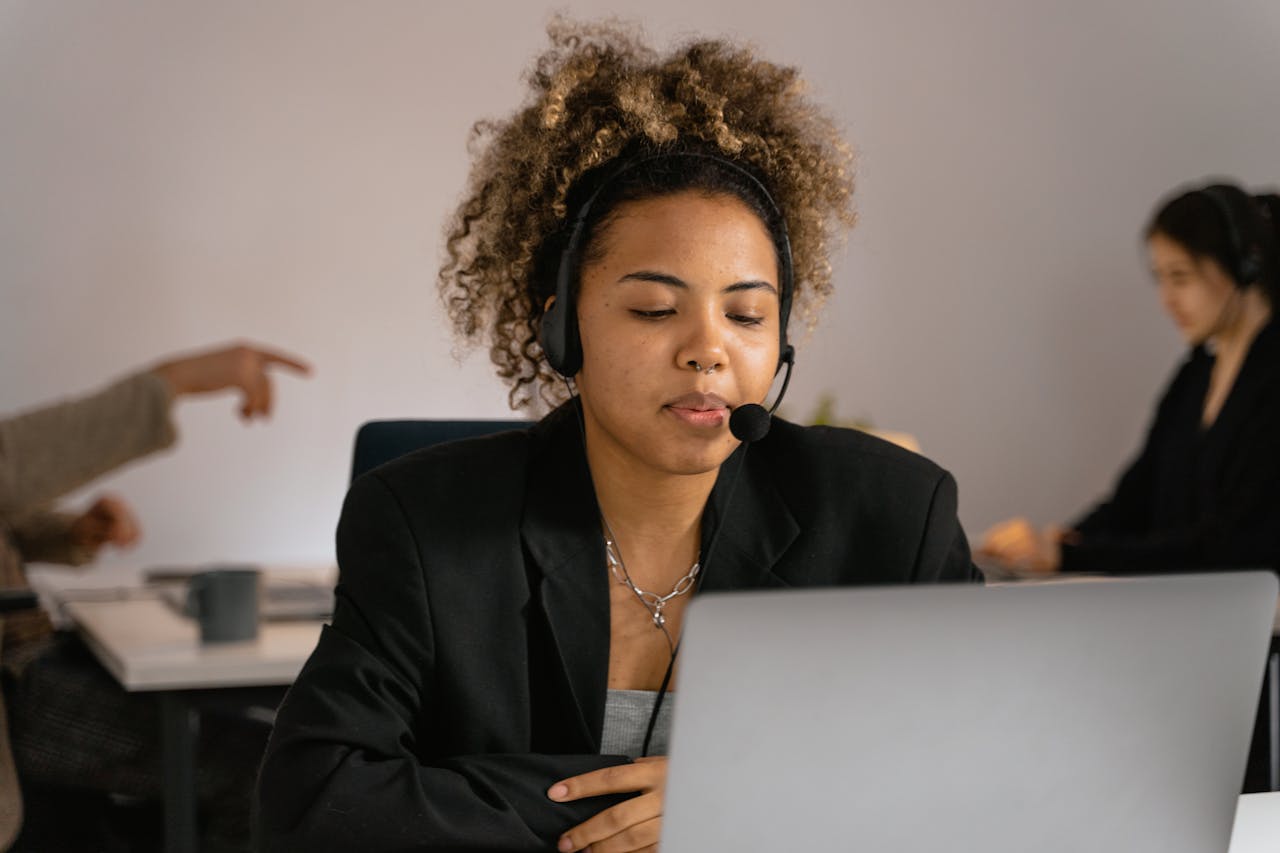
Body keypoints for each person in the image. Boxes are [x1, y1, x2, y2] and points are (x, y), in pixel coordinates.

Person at [256, 19, 975, 853]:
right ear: (563, 330)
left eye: (746, 313)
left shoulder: (892, 517)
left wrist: (748, 794)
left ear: (780, 343)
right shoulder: (425, 522)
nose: (708, 347)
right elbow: (313, 807)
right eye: (653, 309)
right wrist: (642, 814)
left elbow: (982, 779)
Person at [0, 341, 310, 849]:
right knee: (264, 770)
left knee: (263, 736)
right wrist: (176, 379)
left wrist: (70, 533)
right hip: (21, 686)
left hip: (38, 657)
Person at [979, 182, 1280, 577]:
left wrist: (1072, 556)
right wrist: (1064, 539)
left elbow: (1232, 545)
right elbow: (1136, 498)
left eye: (1181, 278)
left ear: (1245, 267)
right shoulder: (1196, 374)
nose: (1167, 299)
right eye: (1160, 279)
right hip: (1190, 609)